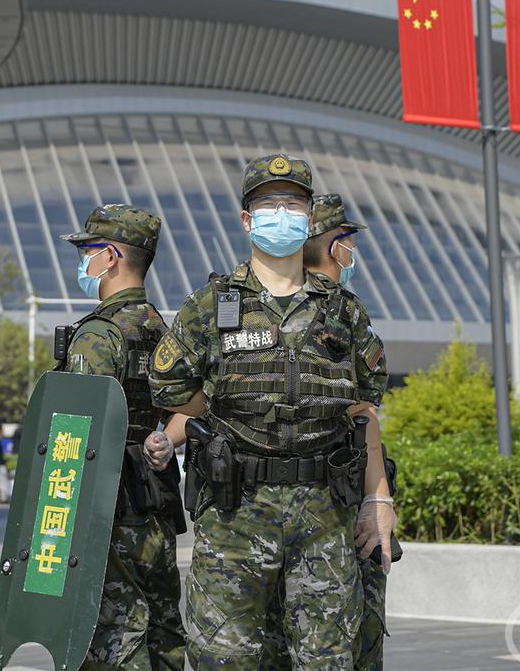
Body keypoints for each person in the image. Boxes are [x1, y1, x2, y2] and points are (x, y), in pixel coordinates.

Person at [149, 155, 395, 671]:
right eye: (268, 204)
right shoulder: (209, 306)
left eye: (293, 204)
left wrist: (378, 500)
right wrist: (212, 408)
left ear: (309, 218)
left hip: (324, 512)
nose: (281, 214)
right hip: (235, 513)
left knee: (327, 658)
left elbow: (363, 409)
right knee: (224, 657)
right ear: (246, 219)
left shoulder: (344, 311)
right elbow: (175, 393)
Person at [259, 194, 396, 671]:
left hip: (274, 511)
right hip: (335, 505)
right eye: (348, 242)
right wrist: (378, 497)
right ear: (336, 246)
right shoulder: (343, 312)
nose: (352, 252)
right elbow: (365, 412)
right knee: (344, 642)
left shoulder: (259, 305)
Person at [58, 203, 186, 671]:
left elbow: (76, 428)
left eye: (87, 251)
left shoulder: (98, 335)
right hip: (154, 498)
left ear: (109, 257)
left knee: (113, 633)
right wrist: (162, 439)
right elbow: (190, 407)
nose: (83, 262)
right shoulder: (163, 331)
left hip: (106, 506)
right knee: (162, 628)